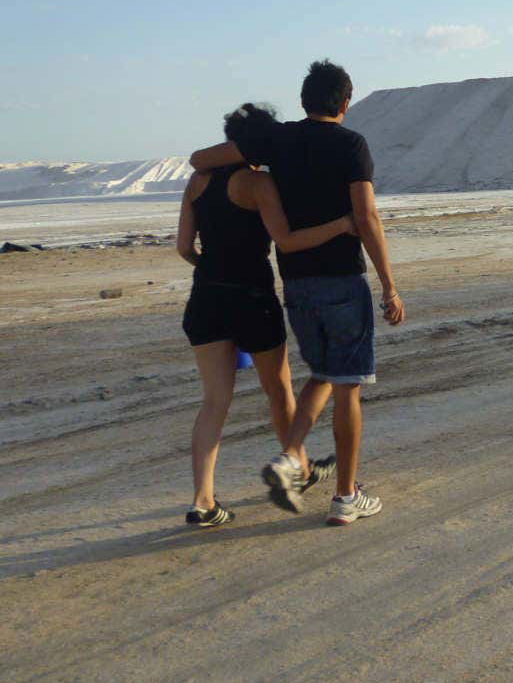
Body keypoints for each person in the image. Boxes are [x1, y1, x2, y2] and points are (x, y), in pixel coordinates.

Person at [190, 60, 405, 526]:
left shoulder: (278, 139)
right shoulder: (352, 145)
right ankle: (346, 496)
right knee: (347, 387)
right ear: (345, 103)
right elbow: (366, 217)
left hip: (296, 285)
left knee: (321, 374)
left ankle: (291, 457)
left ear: (305, 99)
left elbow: (198, 160)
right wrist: (388, 284)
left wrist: (240, 150)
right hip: (342, 281)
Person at [177, 103, 355, 527]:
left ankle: (203, 502)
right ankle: (298, 467)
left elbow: (184, 248)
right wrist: (343, 225)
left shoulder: (197, 182)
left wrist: (212, 269)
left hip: (204, 298)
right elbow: (286, 240)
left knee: (214, 403)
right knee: (279, 391)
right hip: (252, 297)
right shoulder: (257, 183)